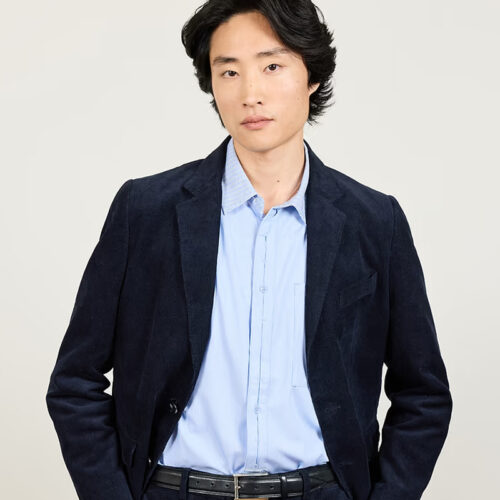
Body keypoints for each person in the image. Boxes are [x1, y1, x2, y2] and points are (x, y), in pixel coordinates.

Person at [46, 1, 452, 500]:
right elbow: (75, 380)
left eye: (272, 66)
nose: (250, 93)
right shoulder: (145, 210)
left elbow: (423, 393)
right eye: (229, 72)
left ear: (312, 77)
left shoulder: (374, 220)